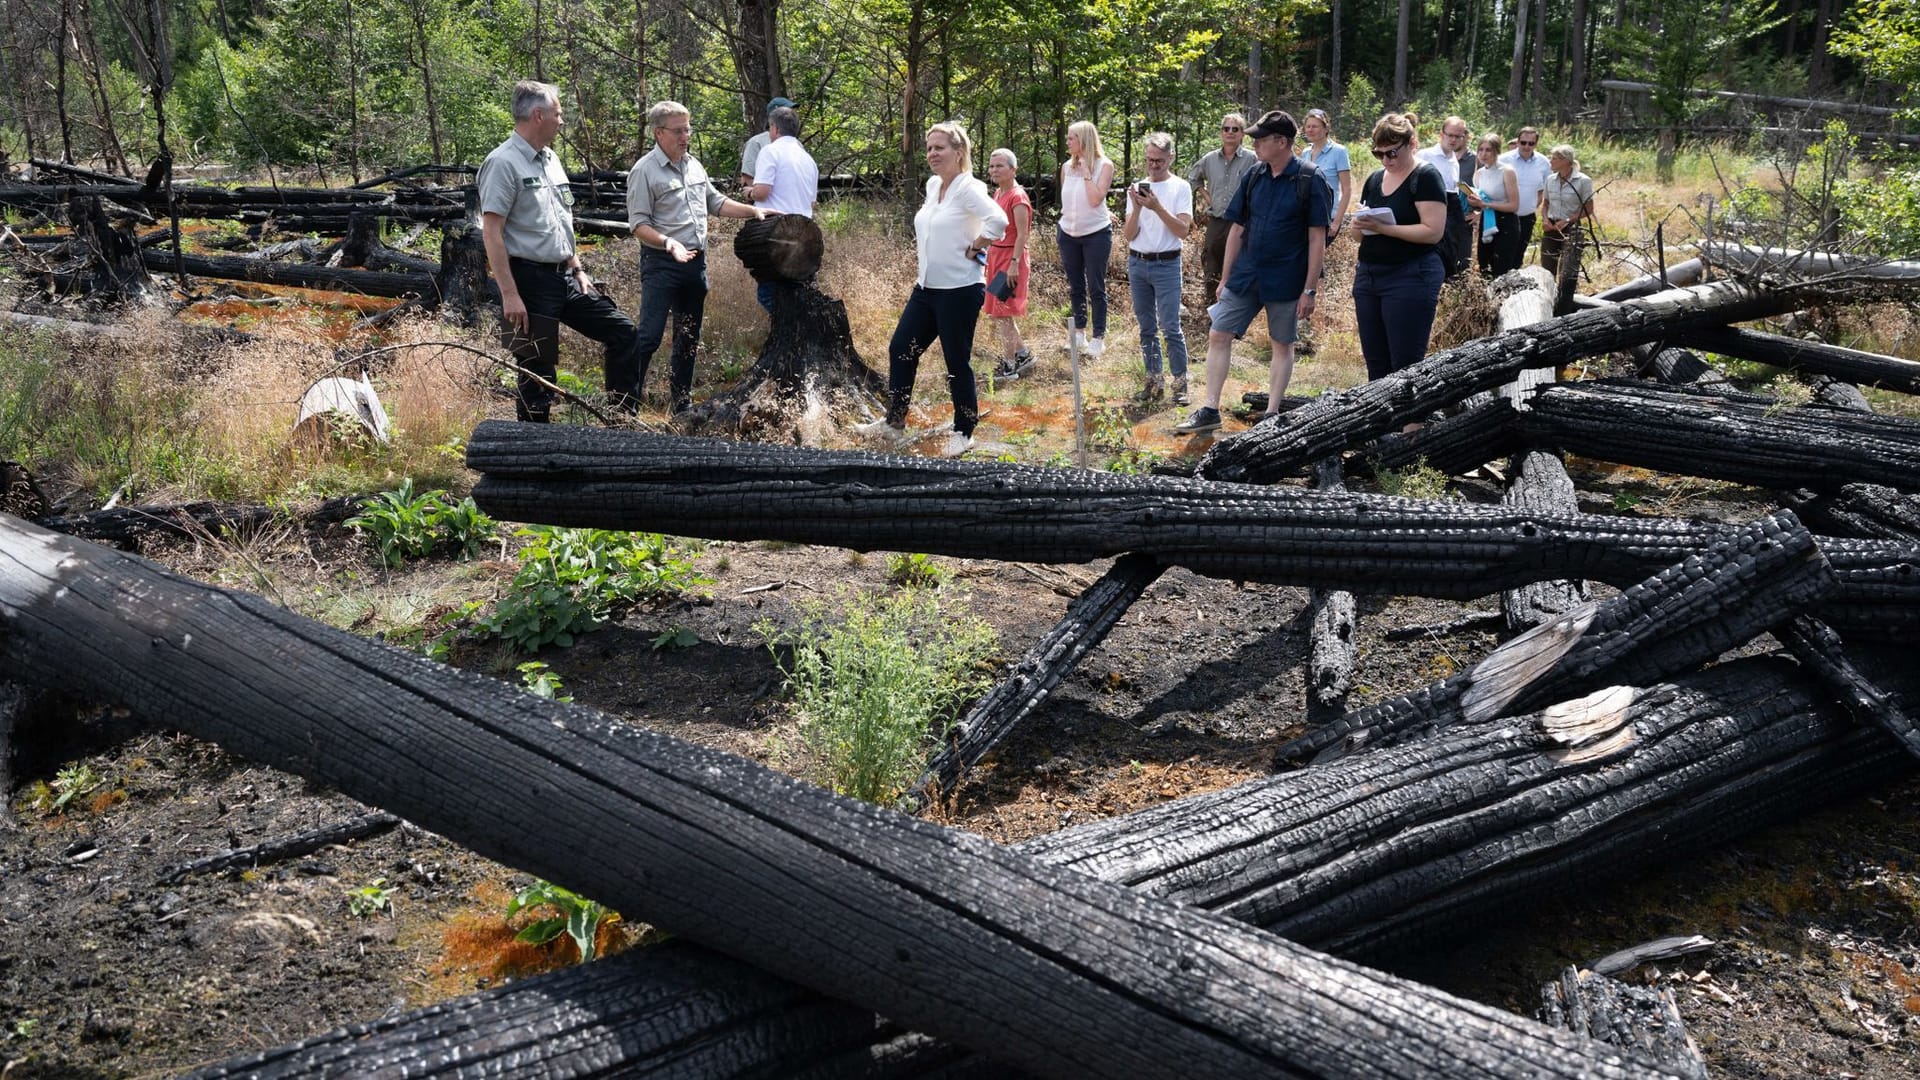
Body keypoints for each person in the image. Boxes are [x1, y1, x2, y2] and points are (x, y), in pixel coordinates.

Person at [478, 80, 644, 422]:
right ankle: (534, 454)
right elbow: (492, 233)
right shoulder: (502, 163)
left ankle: (622, 422)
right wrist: (509, 294)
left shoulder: (550, 159)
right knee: (538, 373)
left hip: (566, 276)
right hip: (526, 280)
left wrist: (578, 267)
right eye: (558, 113)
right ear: (538, 115)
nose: (562, 121)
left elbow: (558, 220)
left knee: (624, 332)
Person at [1173, 109, 1328, 434]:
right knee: (1219, 333)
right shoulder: (1255, 175)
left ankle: (1271, 414)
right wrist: (1226, 278)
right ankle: (1210, 409)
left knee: (1281, 343)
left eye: (1261, 138)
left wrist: (1309, 289)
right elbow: (1236, 229)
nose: (1254, 144)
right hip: (1247, 274)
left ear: (1282, 142)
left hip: (1287, 277)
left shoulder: (1309, 179)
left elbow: (1317, 238)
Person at [864, 122, 1007, 457]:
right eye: (929, 148)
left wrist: (977, 244)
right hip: (926, 289)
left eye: (939, 148)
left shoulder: (968, 188)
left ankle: (964, 431)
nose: (932, 154)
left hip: (959, 289)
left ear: (959, 153)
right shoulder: (932, 186)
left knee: (956, 362)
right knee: (902, 347)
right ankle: (894, 422)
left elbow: (998, 221)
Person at [626, 100, 767, 415]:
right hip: (662, 264)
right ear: (659, 132)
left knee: (688, 337)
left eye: (687, 128)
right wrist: (668, 243)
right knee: (648, 337)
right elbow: (638, 225)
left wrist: (753, 211)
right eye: (678, 130)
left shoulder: (694, 165)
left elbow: (715, 203)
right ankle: (626, 407)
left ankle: (681, 407)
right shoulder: (644, 171)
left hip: (695, 264)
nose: (685, 135)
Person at [1351, 112, 1448, 384]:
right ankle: (1381, 424)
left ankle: (1410, 426)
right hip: (1370, 275)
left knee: (1405, 364)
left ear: (1412, 144)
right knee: (1376, 362)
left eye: (1392, 153)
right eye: (1378, 154)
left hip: (1411, 275)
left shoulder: (1426, 176)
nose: (1385, 160)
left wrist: (1385, 229)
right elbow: (1360, 238)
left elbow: (1433, 232)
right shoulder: (1373, 180)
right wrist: (1359, 226)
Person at [1122, 132, 1194, 404]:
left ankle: (1181, 383)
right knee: (1146, 327)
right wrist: (1139, 208)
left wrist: (1156, 206)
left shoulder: (1180, 187)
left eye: (1160, 161)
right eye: (1150, 160)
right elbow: (1129, 235)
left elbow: (1183, 230)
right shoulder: (1136, 187)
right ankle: (1154, 381)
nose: (1154, 165)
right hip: (1138, 261)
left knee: (1170, 326)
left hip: (1167, 263)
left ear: (1170, 158)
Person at [747, 103, 818, 312]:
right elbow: (811, 202)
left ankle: (788, 335)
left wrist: (749, 192)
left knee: (770, 294)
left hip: (777, 233)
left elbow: (762, 191)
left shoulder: (770, 151)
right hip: (806, 233)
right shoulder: (808, 159)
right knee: (802, 290)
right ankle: (802, 332)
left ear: (774, 129)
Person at [1058, 120, 1116, 357]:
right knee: (1076, 285)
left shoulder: (1105, 166)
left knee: (1096, 285)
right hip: (1068, 233)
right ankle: (1079, 333)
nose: (1067, 141)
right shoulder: (1065, 167)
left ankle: (1098, 337)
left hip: (1096, 234)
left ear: (1084, 140)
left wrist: (1085, 174)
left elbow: (1094, 200)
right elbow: (1067, 200)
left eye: (1072, 137)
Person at [1187, 112, 1259, 302]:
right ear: (1221, 132)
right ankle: (1212, 309)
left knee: (1237, 265)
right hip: (1217, 221)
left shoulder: (1252, 159)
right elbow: (1193, 178)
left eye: (1235, 129)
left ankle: (1234, 310)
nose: (1230, 133)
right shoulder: (1210, 159)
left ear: (1242, 133)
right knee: (1211, 265)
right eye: (1226, 129)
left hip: (1242, 222)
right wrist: (1208, 198)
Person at [983, 148, 1036, 382]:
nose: (994, 170)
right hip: (996, 256)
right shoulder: (997, 193)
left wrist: (1014, 264)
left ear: (1013, 170)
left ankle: (1009, 366)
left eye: (1000, 166)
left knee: (1003, 312)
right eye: (992, 166)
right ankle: (1023, 354)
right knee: (997, 311)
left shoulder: (1018, 197)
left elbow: (1023, 234)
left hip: (1011, 259)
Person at [1415, 115, 1475, 278]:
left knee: (1451, 254)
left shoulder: (1454, 160)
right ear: (1441, 134)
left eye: (1459, 136)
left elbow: (1453, 190)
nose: (1454, 140)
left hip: (1452, 213)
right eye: (1450, 135)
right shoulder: (1425, 156)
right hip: (1429, 210)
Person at [1540, 144, 1596, 313]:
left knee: (1568, 271)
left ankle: (1565, 306)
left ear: (1565, 161)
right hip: (1551, 227)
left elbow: (1589, 208)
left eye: (1554, 158)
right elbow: (1546, 203)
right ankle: (1546, 303)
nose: (1551, 161)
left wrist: (1568, 220)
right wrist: (1544, 219)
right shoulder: (1550, 179)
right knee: (1547, 267)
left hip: (1571, 229)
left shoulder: (1583, 181)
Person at [1465, 133, 1521, 277]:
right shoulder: (1479, 174)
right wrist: (1476, 204)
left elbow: (1514, 205)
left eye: (1488, 150)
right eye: (1481, 150)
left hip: (1506, 222)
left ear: (1497, 151)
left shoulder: (1506, 171)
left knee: (1501, 268)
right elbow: (1481, 201)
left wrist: (1485, 204)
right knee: (1484, 265)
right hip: (1487, 221)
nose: (1483, 154)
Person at [1499, 125, 1552, 268]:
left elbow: (1544, 189)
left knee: (1518, 255)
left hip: (1527, 217)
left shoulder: (1543, 163)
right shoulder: (1503, 160)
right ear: (1517, 141)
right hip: (1504, 216)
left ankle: (1514, 287)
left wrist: (1533, 205)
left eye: (1531, 143)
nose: (1527, 146)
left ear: (1536, 143)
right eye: (1523, 142)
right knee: (1502, 255)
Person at [1298, 107, 1351, 246]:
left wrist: (1337, 222)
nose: (1310, 130)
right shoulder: (1305, 153)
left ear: (1326, 128)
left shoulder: (1339, 151)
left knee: (1314, 258)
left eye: (1314, 126)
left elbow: (1347, 190)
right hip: (1305, 218)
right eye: (1308, 126)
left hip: (1328, 217)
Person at [737, 96, 794, 192]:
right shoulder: (756, 142)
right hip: (766, 203)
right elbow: (748, 177)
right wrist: (757, 196)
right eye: (787, 113)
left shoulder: (795, 144)